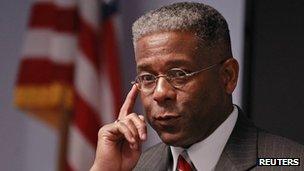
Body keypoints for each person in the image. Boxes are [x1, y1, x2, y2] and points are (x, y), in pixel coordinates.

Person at [90, 2, 304, 171]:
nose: (160, 93)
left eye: (179, 74)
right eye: (147, 77)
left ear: (227, 76)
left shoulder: (288, 164)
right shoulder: (131, 168)